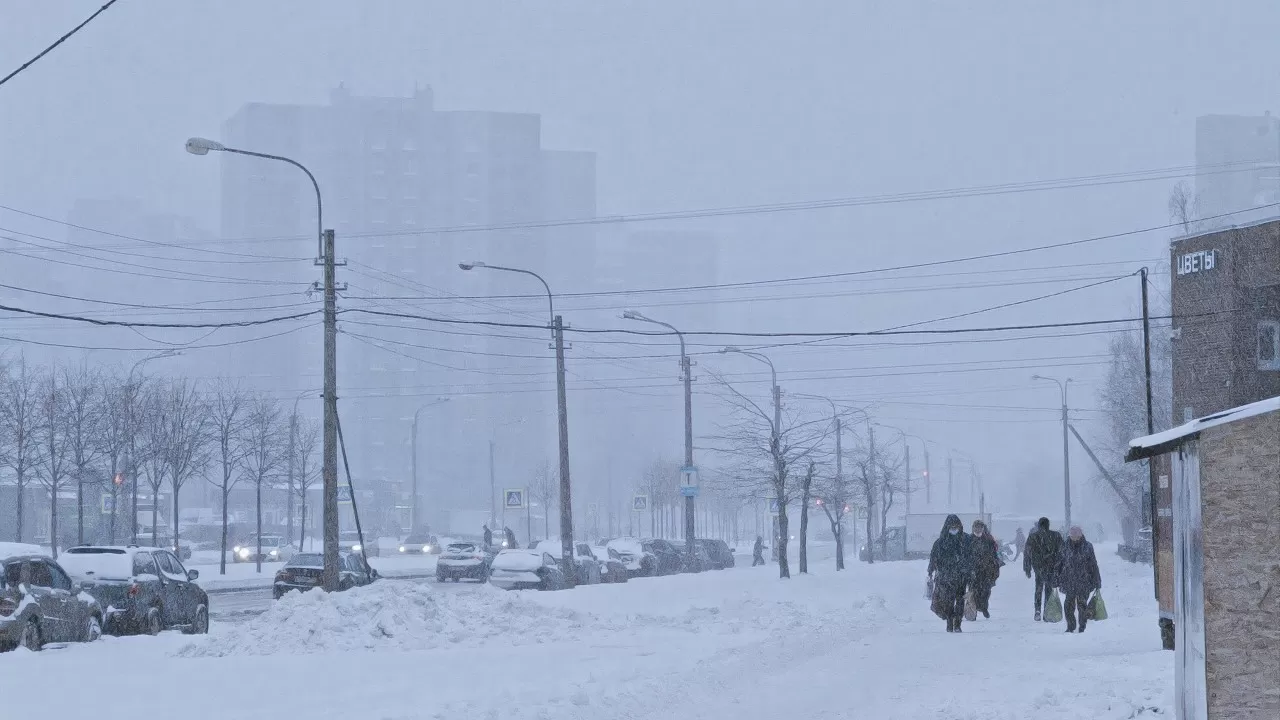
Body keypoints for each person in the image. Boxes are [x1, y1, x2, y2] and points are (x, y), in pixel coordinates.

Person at [928, 514, 973, 633]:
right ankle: (949, 621)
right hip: (946, 577)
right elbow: (933, 558)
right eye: (951, 526)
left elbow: (971, 557)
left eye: (956, 526)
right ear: (947, 527)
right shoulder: (940, 542)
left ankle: (957, 623)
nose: (954, 529)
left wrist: (971, 571)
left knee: (960, 600)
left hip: (961, 576)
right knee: (948, 601)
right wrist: (930, 571)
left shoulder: (965, 540)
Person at [1056, 525, 1102, 633]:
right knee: (1068, 606)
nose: (1074, 538)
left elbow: (1093, 564)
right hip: (1069, 581)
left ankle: (1082, 626)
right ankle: (1070, 627)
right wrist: (1056, 577)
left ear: (1080, 535)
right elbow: (1059, 563)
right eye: (1072, 536)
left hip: (1084, 581)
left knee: (1082, 606)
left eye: (1076, 536)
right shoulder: (1065, 546)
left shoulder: (1087, 546)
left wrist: (1097, 580)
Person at [1024, 517, 1064, 621]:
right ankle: (1047, 610)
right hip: (1051, 567)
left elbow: (1027, 553)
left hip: (1038, 567)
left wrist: (1027, 568)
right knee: (1048, 589)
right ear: (1048, 524)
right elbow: (1062, 552)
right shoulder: (1056, 535)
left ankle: (1037, 610)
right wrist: (1060, 567)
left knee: (1038, 589)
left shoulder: (1033, 537)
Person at [970, 519, 1001, 619]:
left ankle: (984, 607)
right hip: (973, 570)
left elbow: (994, 553)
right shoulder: (968, 539)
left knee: (986, 590)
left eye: (980, 527)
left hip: (986, 569)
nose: (978, 529)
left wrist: (994, 565)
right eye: (976, 527)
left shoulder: (988, 539)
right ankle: (973, 610)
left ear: (983, 529)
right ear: (973, 528)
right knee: (974, 591)